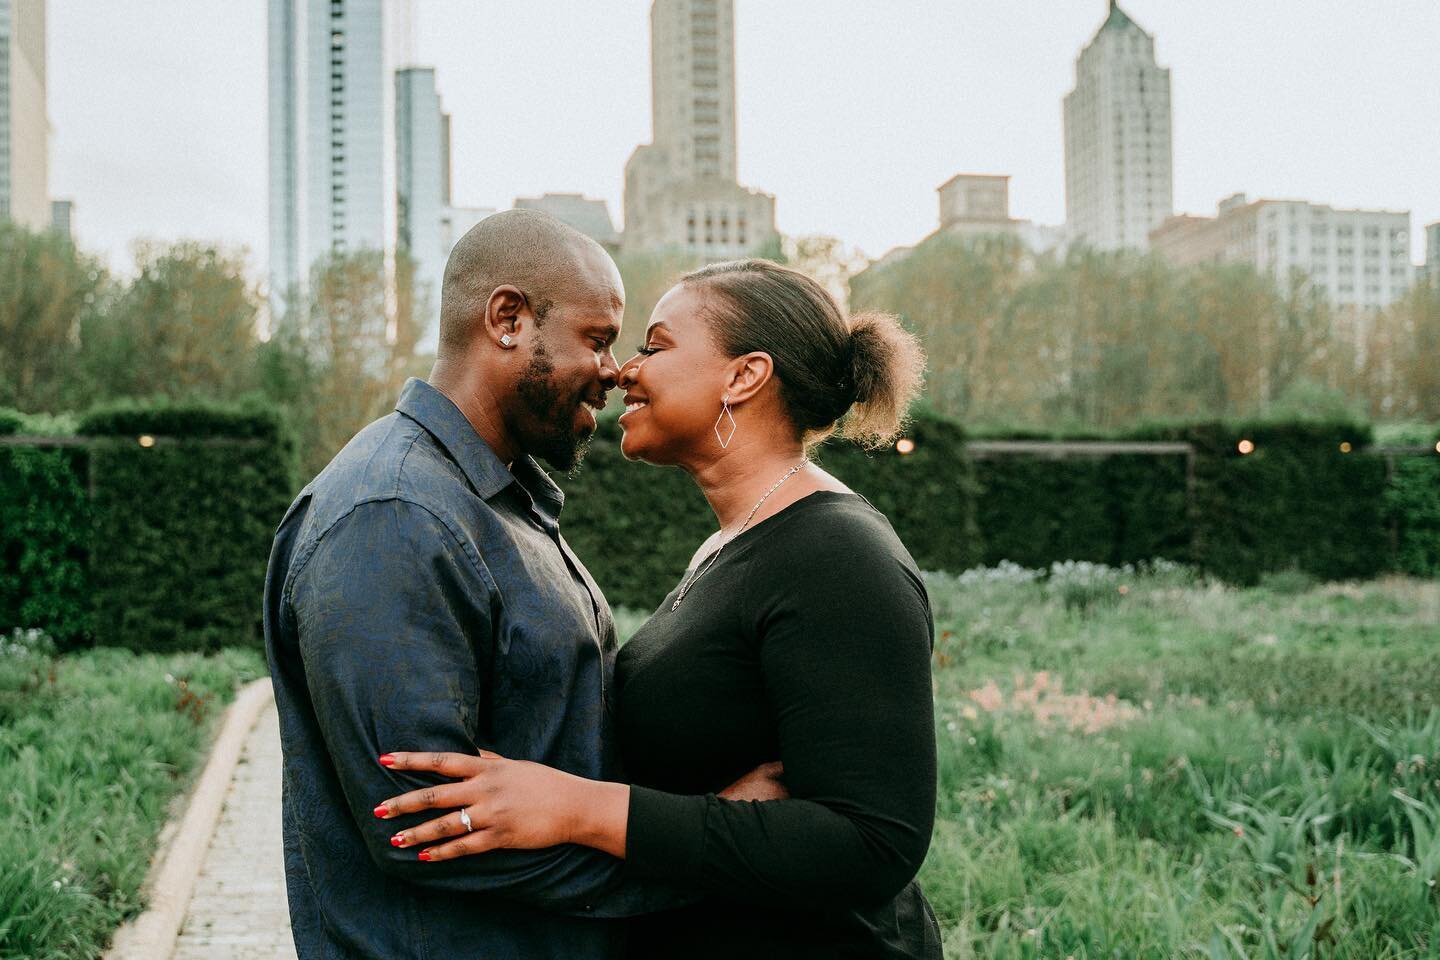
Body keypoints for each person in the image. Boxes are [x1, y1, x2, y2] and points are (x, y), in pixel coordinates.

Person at [373, 259, 944, 958]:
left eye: (656, 345)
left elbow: (871, 843)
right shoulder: (729, 545)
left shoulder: (840, 558)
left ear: (744, 376)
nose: (623, 372)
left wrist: (577, 809)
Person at [263, 210, 774, 959]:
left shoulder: (495, 500)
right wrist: (706, 848)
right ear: (507, 319)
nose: (616, 370)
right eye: (597, 340)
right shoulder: (396, 517)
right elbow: (422, 828)